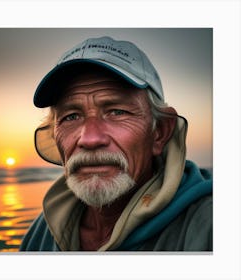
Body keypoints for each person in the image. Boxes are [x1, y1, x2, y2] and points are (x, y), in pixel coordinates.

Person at [20, 36, 212, 251]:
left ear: (159, 132)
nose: (90, 139)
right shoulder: (43, 231)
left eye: (117, 112)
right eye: (71, 116)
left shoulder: (209, 226)